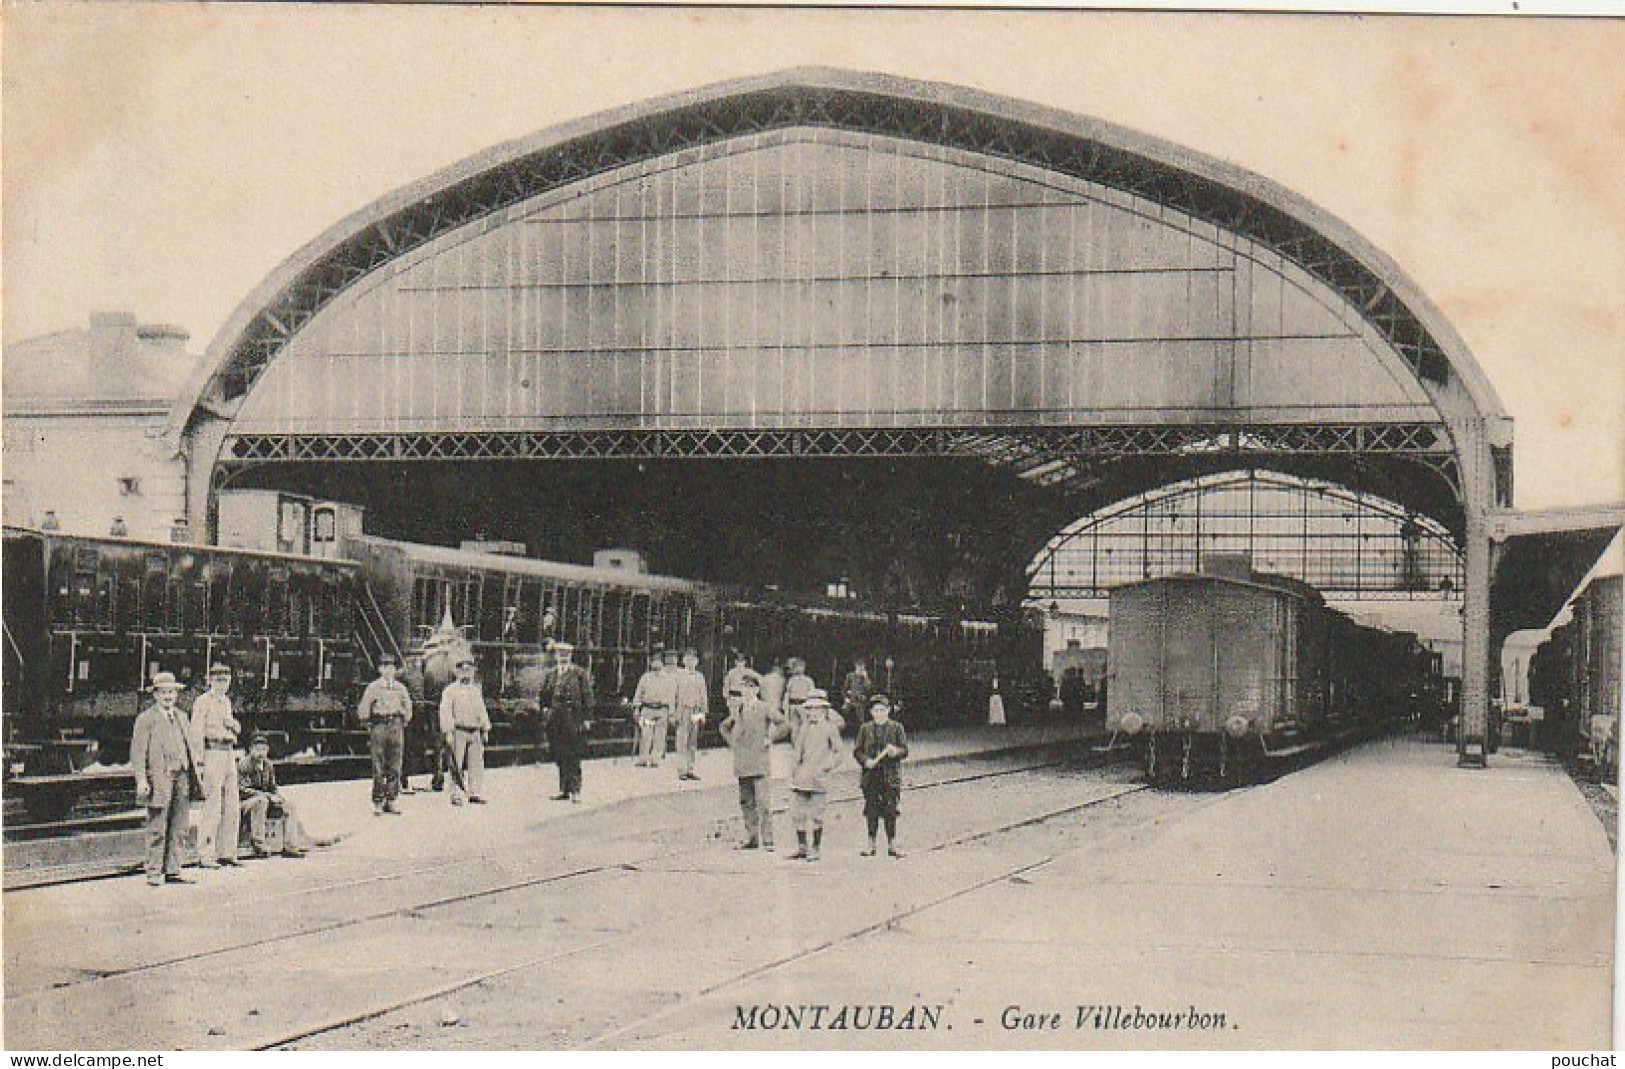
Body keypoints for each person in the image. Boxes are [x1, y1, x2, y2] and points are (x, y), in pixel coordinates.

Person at [130, 671, 201, 886]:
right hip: (159, 779)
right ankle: (153, 872)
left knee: (180, 826)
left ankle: (173, 869)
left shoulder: (182, 716)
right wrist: (142, 780)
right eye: (163, 692)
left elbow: (190, 747)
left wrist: (196, 769)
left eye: (171, 692)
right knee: (157, 827)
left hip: (182, 777)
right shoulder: (146, 719)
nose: (168, 696)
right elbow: (138, 752)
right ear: (156, 695)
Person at [718, 670, 788, 851]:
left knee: (763, 802)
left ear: (757, 690)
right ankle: (751, 837)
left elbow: (784, 724)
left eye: (751, 687)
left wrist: (770, 738)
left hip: (759, 761)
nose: (747, 691)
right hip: (742, 762)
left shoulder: (764, 708)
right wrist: (732, 743)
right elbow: (724, 727)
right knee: (746, 801)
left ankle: (768, 839)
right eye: (743, 687)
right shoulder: (737, 709)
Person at [189, 662, 243, 869]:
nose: (222, 684)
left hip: (228, 753)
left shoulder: (226, 702)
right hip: (212, 753)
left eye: (226, 680)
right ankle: (206, 854)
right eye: (218, 680)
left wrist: (234, 726)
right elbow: (196, 732)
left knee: (231, 805)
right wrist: (199, 763)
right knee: (212, 807)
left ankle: (227, 852)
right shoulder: (203, 702)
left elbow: (234, 727)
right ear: (210, 680)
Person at [787, 690, 844, 862]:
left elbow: (839, 752)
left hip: (819, 777)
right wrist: (793, 770)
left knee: (817, 814)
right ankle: (802, 846)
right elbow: (797, 751)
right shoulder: (804, 728)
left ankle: (816, 847)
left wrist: (828, 765)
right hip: (802, 776)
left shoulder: (830, 729)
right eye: (810, 709)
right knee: (798, 813)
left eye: (817, 709)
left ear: (824, 710)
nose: (813, 712)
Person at [854, 693, 910, 858]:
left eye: (882, 710)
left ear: (888, 711)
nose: (879, 713)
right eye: (876, 710)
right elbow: (857, 751)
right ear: (871, 712)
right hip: (871, 777)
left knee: (890, 810)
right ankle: (871, 844)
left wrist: (895, 752)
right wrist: (866, 761)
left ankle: (892, 844)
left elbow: (905, 750)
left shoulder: (897, 728)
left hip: (890, 777)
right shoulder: (865, 728)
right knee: (871, 810)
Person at [357, 654, 413, 815]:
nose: (388, 670)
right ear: (379, 669)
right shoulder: (373, 687)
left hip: (396, 726)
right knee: (378, 765)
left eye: (391, 667)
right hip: (379, 725)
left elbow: (408, 707)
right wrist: (369, 723)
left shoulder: (400, 688)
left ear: (395, 670)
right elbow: (363, 708)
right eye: (385, 667)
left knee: (395, 765)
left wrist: (403, 721)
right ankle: (378, 801)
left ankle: (392, 800)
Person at [237, 733, 308, 858]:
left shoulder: (268, 765)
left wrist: (278, 798)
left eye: (264, 750)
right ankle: (259, 845)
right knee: (261, 801)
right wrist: (265, 796)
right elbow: (242, 789)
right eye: (258, 749)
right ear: (251, 750)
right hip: (245, 803)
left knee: (289, 806)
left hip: (265, 800)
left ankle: (290, 846)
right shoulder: (244, 764)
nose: (261, 753)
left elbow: (273, 787)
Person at [540, 641, 594, 802]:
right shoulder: (551, 674)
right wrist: (545, 711)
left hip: (573, 720)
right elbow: (544, 696)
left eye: (566, 654)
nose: (562, 657)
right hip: (555, 721)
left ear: (570, 656)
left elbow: (587, 697)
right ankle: (564, 789)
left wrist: (587, 718)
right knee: (560, 754)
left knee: (573, 756)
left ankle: (575, 790)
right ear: (556, 656)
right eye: (560, 654)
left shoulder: (579, 674)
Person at [439, 655, 491, 805]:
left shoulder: (475, 690)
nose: (466, 673)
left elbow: (482, 710)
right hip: (458, 731)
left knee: (476, 764)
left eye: (469, 670)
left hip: (474, 731)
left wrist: (485, 728)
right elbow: (445, 711)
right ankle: (455, 794)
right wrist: (448, 732)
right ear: (457, 672)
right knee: (457, 763)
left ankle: (475, 792)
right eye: (463, 670)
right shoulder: (450, 691)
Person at [631, 650, 674, 767]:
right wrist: (636, 709)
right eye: (653, 661)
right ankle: (643, 758)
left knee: (659, 736)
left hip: (662, 709)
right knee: (646, 734)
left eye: (658, 661)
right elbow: (638, 693)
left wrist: (671, 713)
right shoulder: (645, 678)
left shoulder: (668, 679)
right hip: (648, 709)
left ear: (662, 663)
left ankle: (655, 759)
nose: (655, 664)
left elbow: (671, 696)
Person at [674, 648, 708, 781]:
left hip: (695, 710)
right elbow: (674, 694)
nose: (690, 662)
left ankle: (690, 769)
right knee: (682, 740)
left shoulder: (700, 676)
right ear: (683, 661)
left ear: (697, 661)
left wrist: (704, 712)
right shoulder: (679, 675)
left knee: (692, 742)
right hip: (683, 710)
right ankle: (681, 770)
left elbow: (703, 695)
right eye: (688, 659)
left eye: (693, 659)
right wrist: (674, 712)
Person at [783, 657, 816, 739]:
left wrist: (812, 706)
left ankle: (802, 742)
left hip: (804, 704)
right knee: (794, 725)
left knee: (805, 724)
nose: (798, 669)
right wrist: (786, 706)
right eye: (796, 667)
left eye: (800, 667)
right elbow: (787, 693)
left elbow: (812, 694)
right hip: (793, 704)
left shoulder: (808, 680)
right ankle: (795, 743)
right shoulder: (792, 680)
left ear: (804, 668)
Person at [841, 658, 872, 731]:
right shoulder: (850, 676)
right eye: (859, 667)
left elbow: (869, 689)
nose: (860, 669)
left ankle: (861, 734)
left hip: (860, 701)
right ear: (855, 667)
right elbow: (844, 689)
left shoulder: (865, 677)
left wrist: (866, 677)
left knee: (861, 718)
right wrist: (846, 698)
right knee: (844, 712)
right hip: (850, 700)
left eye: (862, 667)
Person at [722, 651, 754, 720]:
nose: (740, 664)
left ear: (745, 662)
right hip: (734, 698)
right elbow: (726, 686)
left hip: (745, 699)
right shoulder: (731, 673)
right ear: (735, 662)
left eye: (742, 662)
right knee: (735, 719)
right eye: (738, 661)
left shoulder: (749, 673)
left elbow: (753, 686)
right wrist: (727, 698)